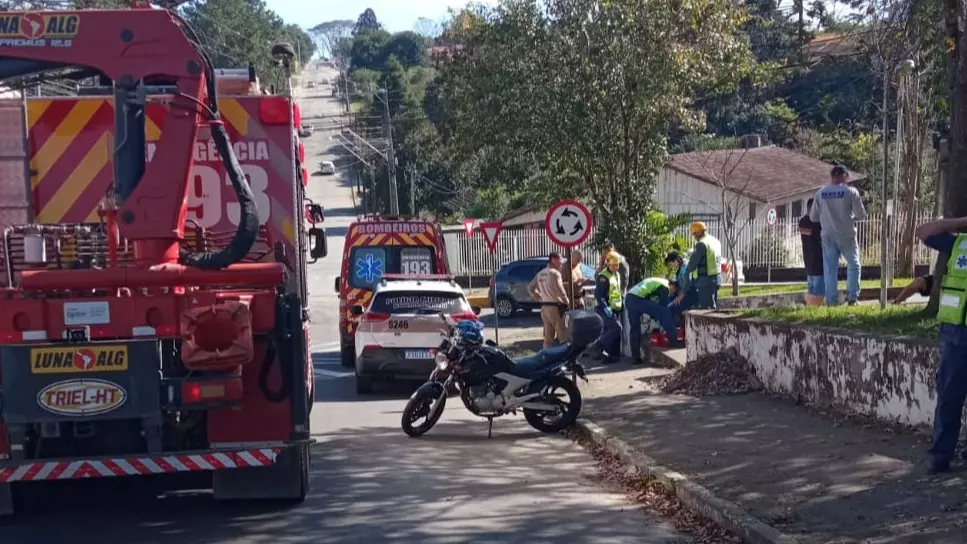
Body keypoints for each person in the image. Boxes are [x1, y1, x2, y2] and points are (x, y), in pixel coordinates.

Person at [914, 216, 967, 474]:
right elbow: (923, 232)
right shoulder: (959, 244)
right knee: (949, 398)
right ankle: (941, 456)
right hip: (957, 335)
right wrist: (962, 221)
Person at [809, 165, 867, 306]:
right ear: (844, 176)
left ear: (832, 176)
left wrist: (827, 218)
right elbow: (861, 215)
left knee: (829, 269)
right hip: (846, 235)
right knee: (853, 264)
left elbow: (813, 218)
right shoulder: (851, 191)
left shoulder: (820, 193)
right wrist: (850, 218)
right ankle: (852, 298)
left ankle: (831, 301)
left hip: (828, 235)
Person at [626, 276, 683, 364]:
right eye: (674, 290)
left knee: (635, 329)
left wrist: (654, 314)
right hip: (638, 299)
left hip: (629, 299)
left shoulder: (657, 281)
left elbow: (650, 299)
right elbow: (663, 306)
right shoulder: (665, 286)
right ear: (672, 286)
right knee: (665, 312)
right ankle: (674, 340)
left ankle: (636, 357)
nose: (672, 293)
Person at [528, 252, 569, 349]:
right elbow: (560, 290)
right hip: (555, 308)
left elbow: (530, 287)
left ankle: (546, 357)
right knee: (563, 337)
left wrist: (538, 297)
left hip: (544, 307)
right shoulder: (555, 273)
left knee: (548, 339)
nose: (562, 263)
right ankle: (564, 359)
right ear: (553, 260)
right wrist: (567, 302)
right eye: (560, 260)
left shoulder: (541, 273)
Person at [676, 222, 721, 310]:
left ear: (698, 233)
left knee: (706, 309)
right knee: (712, 306)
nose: (694, 237)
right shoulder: (715, 241)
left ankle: (708, 324)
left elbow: (691, 266)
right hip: (716, 278)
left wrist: (683, 291)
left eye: (694, 234)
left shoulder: (701, 244)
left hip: (705, 280)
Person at [594, 253, 624, 364]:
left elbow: (616, 290)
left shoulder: (617, 274)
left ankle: (611, 357)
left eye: (617, 265)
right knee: (617, 328)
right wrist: (605, 307)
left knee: (613, 334)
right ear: (608, 264)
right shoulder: (603, 276)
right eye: (613, 265)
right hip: (604, 309)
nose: (615, 267)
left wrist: (622, 300)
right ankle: (598, 345)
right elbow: (598, 294)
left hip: (615, 308)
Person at [799, 198, 825, 306]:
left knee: (811, 290)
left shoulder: (802, 222)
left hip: (808, 263)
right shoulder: (817, 223)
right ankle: (815, 310)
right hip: (818, 263)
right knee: (818, 294)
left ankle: (811, 309)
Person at [665, 251, 696, 323]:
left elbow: (687, 284)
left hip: (690, 295)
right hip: (683, 294)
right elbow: (680, 283)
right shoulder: (680, 269)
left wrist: (680, 297)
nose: (672, 267)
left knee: (670, 308)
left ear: (675, 260)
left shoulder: (685, 267)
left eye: (671, 264)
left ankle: (673, 331)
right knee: (668, 302)